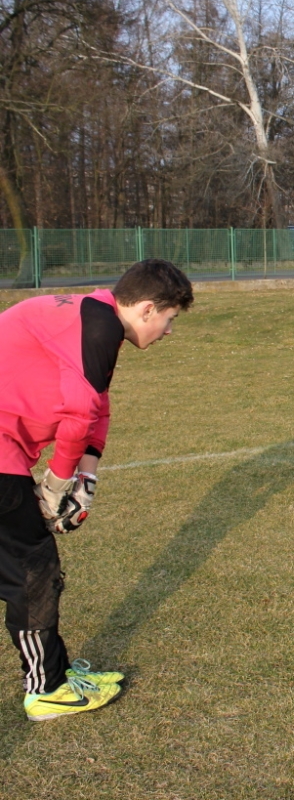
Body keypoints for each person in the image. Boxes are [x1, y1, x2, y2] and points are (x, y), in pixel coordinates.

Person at [0, 258, 194, 721]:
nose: (169, 331)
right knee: (33, 570)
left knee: (31, 565)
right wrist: (56, 484)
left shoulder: (97, 318)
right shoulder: (99, 327)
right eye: (170, 319)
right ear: (147, 309)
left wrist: (86, 477)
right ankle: (45, 690)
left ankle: (54, 676)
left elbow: (97, 407)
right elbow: (78, 414)